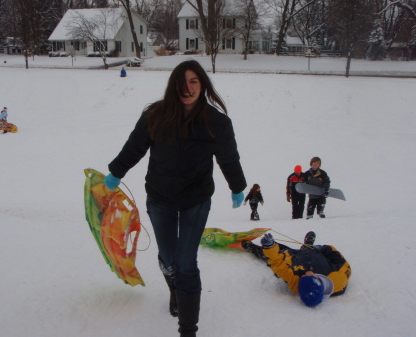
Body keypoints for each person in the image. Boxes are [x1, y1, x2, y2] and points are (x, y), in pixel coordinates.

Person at [104, 60, 247, 337]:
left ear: (202, 84)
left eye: (194, 81)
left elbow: (229, 159)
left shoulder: (217, 122)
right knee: (169, 259)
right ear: (174, 86)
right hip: (160, 197)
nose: (188, 87)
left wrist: (237, 187)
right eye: (182, 82)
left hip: (196, 199)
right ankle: (176, 290)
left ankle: (188, 330)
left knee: (186, 262)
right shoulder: (155, 115)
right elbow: (134, 147)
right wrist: (115, 172)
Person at [241, 231, 351, 307]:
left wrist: (270, 247)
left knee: (270, 252)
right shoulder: (339, 279)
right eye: (308, 275)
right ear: (318, 280)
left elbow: (277, 264)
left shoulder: (295, 283)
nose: (305, 273)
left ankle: (247, 245)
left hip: (293, 257)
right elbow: (339, 259)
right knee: (308, 249)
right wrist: (323, 249)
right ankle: (309, 243)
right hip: (314, 253)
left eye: (302, 277)